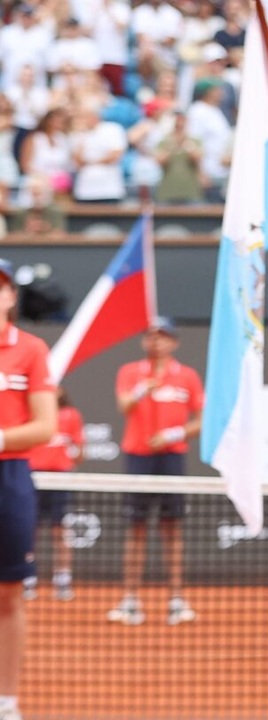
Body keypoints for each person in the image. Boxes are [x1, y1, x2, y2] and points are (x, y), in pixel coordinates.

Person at [109, 317, 203, 626]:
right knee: (136, 529)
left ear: (173, 342)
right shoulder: (129, 372)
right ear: (144, 342)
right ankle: (130, 601)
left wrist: (173, 435)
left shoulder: (187, 376)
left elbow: (201, 420)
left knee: (171, 530)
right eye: (151, 336)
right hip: (138, 457)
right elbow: (124, 406)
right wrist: (140, 391)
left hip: (171, 458)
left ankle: (176, 601)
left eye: (163, 336)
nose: (156, 341)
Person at [0, 257, 58, 720]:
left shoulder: (31, 350)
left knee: (8, 595)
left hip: (10, 478)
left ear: (11, 297)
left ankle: (7, 700)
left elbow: (45, 426)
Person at [23, 386, 84, 602]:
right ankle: (27, 579)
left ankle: (62, 580)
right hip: (34, 478)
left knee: (60, 530)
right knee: (30, 530)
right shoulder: (32, 414)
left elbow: (79, 452)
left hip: (60, 478)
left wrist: (73, 450)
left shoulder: (71, 415)